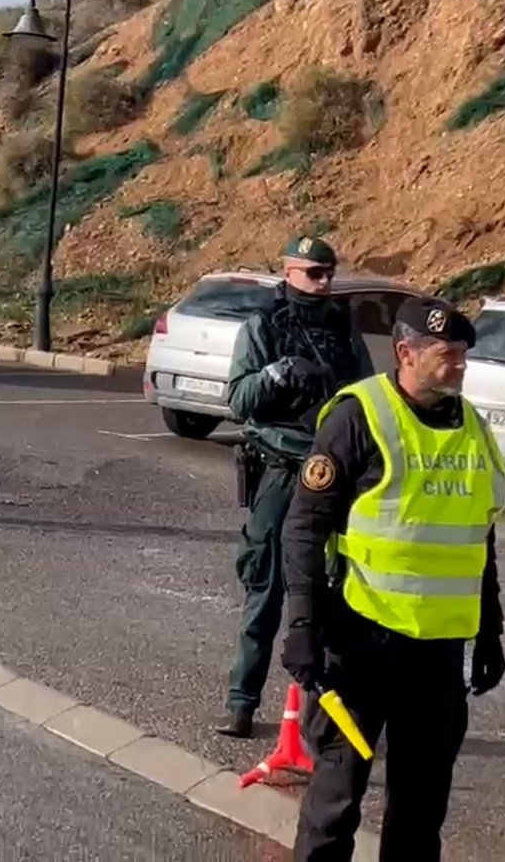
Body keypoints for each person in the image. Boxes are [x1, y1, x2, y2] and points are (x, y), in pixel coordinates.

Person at [280, 296, 505, 860]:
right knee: (336, 802)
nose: (458, 364)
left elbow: (480, 537)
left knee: (421, 809)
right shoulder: (359, 416)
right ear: (405, 352)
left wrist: (491, 632)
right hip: (363, 639)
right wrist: (304, 627)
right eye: (445, 353)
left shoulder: (472, 427)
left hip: (438, 654)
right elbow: (304, 528)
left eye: (462, 354)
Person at [214, 235, 373, 739]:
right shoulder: (264, 326)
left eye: (329, 273)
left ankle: (323, 715)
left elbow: (368, 394)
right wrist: (280, 373)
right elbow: (238, 399)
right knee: (264, 587)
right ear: (289, 272)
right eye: (313, 274)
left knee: (332, 594)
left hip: (331, 474)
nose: (324, 283)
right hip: (281, 469)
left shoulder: (344, 330)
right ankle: (242, 701)